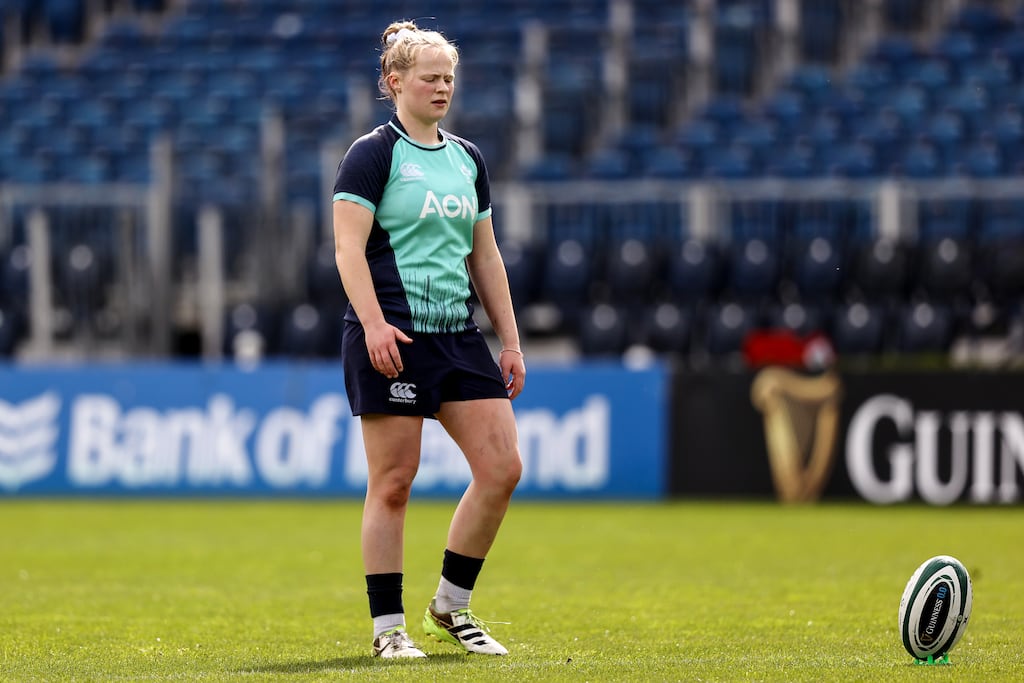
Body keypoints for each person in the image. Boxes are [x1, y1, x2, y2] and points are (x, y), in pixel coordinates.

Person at [332, 20, 526, 659]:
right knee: (393, 483)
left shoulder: (468, 158)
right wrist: (372, 324)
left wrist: (511, 341)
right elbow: (347, 249)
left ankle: (452, 603)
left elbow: (486, 256)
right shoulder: (372, 153)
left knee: (502, 469)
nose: (443, 87)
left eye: (449, 78)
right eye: (430, 77)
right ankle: (389, 629)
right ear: (394, 82)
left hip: (457, 336)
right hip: (391, 332)